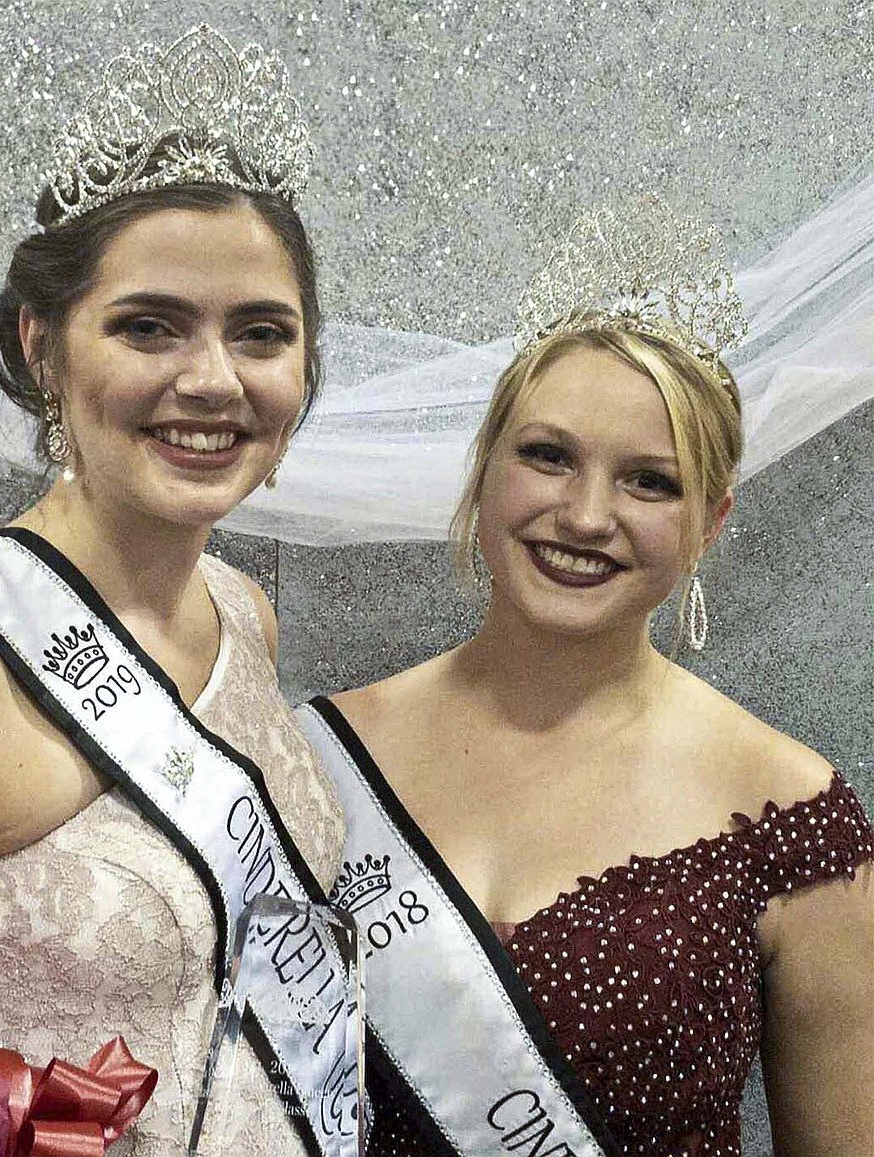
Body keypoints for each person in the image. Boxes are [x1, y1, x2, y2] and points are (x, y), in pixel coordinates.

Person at [0, 25, 348, 1155]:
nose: (212, 380)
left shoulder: (242, 613)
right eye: (148, 326)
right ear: (44, 345)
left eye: (261, 334)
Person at [298, 198, 874, 1156]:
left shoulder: (792, 817)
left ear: (712, 522)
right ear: (485, 472)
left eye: (650, 480)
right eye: (547, 456)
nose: (586, 513)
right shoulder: (311, 758)